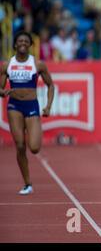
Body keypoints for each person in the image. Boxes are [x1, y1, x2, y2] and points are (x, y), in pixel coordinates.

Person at [0, 31, 54, 195]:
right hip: (14, 107)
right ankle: (27, 184)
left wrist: (48, 106)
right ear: (15, 44)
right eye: (20, 41)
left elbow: (50, 85)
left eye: (26, 41)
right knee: (20, 145)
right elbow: (1, 87)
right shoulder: (6, 64)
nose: (22, 43)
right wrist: (2, 92)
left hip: (32, 106)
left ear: (30, 45)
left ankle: (34, 129)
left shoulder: (37, 64)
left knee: (35, 148)